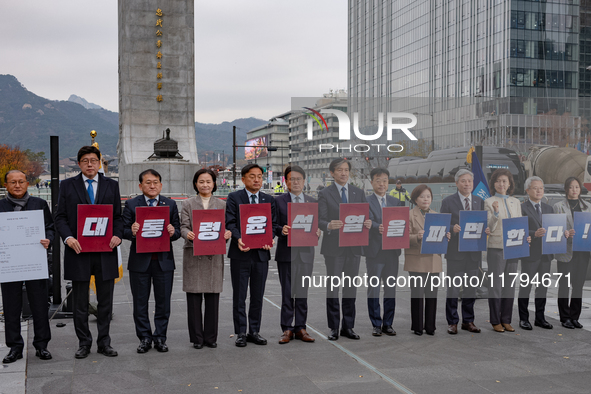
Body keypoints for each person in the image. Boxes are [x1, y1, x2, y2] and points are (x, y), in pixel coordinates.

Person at [54, 145, 123, 359]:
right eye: (85, 161)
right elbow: (60, 218)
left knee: (105, 302)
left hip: (105, 251)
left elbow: (119, 217)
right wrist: (68, 238)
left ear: (99, 162)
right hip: (78, 251)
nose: (90, 164)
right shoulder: (67, 186)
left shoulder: (112, 185)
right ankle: (84, 343)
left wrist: (118, 235)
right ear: (79, 163)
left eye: (94, 160)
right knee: (80, 302)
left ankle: (104, 342)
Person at [121, 169, 181, 353]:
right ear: (140, 186)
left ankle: (160, 337)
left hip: (163, 262)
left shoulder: (170, 204)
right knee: (140, 302)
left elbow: (178, 231)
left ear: (161, 185)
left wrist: (173, 232)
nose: (152, 185)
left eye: (155, 182)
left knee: (163, 302)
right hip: (140, 262)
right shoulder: (131, 204)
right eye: (148, 182)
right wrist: (131, 230)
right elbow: (122, 230)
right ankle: (145, 337)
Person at [1, 170, 54, 363]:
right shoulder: (0, 206)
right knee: (11, 307)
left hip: (35, 262)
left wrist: (49, 239)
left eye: (21, 181)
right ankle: (15, 347)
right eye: (12, 182)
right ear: (6, 185)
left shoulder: (39, 204)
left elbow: (50, 227)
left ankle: (42, 346)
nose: (17, 185)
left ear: (27, 183)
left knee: (40, 305)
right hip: (9, 265)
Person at [318, 158, 371, 340]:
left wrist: (368, 222)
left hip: (354, 247)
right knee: (333, 289)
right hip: (334, 248)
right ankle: (333, 327)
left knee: (350, 289)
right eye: (339, 170)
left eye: (346, 170)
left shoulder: (358, 192)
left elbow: (365, 216)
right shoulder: (325, 193)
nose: (343, 173)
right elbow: (320, 219)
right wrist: (328, 225)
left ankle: (348, 326)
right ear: (332, 173)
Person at [226, 164, 278, 347]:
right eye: (252, 176)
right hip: (240, 254)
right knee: (239, 296)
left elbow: (273, 225)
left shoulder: (268, 200)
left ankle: (254, 331)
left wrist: (270, 238)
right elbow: (230, 223)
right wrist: (238, 238)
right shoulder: (234, 198)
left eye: (259, 177)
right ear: (243, 179)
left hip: (261, 255)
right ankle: (241, 332)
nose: (256, 180)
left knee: (257, 295)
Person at [181, 169, 231, 349]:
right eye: (201, 181)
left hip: (213, 255)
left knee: (212, 298)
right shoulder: (187, 204)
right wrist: (188, 234)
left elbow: (226, 228)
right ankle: (197, 338)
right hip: (194, 254)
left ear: (214, 184)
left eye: (208, 181)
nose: (205, 185)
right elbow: (183, 226)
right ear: (195, 184)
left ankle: (210, 337)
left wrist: (227, 234)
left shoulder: (221, 205)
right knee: (194, 299)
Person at [274, 165, 319, 344]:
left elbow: (316, 224)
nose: (296, 182)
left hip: (306, 253)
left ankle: (301, 327)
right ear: (286, 182)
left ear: (304, 181)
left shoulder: (312, 201)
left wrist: (318, 231)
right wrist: (280, 230)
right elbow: (273, 225)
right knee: (287, 293)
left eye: (299, 179)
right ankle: (286, 328)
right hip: (287, 253)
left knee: (302, 293)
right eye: (292, 179)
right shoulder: (278, 201)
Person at [440, 169, 485, 335]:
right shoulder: (448, 201)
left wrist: (484, 230)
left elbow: (481, 222)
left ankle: (469, 320)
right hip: (455, 252)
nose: (467, 184)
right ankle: (452, 322)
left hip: (473, 252)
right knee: (453, 288)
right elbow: (442, 223)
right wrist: (453, 228)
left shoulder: (479, 201)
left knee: (470, 288)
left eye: (470, 181)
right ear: (457, 183)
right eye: (464, 181)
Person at [485, 169, 527, 333]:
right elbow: (489, 227)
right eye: (498, 181)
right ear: (494, 184)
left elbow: (519, 224)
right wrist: (495, 213)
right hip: (496, 247)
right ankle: (495, 320)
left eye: (505, 181)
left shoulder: (516, 202)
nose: (501, 184)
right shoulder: (489, 201)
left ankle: (506, 319)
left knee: (510, 285)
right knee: (496, 285)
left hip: (514, 247)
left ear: (509, 184)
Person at [406, 184, 449, 336]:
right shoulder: (410, 215)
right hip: (416, 260)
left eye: (428, 196)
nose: (425, 199)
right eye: (422, 196)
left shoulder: (437, 215)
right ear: (415, 199)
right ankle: (417, 326)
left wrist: (446, 237)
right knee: (417, 294)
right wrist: (416, 237)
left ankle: (430, 326)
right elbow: (403, 238)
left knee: (432, 294)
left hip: (433, 260)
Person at [519, 176, 561, 330]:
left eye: (541, 188)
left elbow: (554, 229)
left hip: (546, 254)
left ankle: (540, 318)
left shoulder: (549, 208)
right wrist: (534, 233)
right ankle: (523, 318)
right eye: (535, 188)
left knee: (542, 287)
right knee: (526, 286)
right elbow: (519, 229)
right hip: (530, 253)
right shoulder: (522, 208)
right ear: (527, 190)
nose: (538, 191)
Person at [366, 168, 402, 337]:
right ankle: (376, 323)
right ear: (372, 182)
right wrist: (375, 226)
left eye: (385, 180)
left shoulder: (396, 202)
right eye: (378, 180)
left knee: (390, 289)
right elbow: (365, 222)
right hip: (375, 251)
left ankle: (388, 323)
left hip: (392, 252)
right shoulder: (366, 202)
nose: (382, 184)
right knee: (374, 289)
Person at [553, 177, 591, 329]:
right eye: (571, 187)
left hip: (582, 251)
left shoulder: (587, 206)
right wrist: (565, 232)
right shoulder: (558, 206)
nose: (574, 190)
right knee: (564, 285)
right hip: (566, 251)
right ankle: (565, 317)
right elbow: (554, 227)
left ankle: (575, 316)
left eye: (577, 187)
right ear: (566, 189)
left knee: (578, 285)